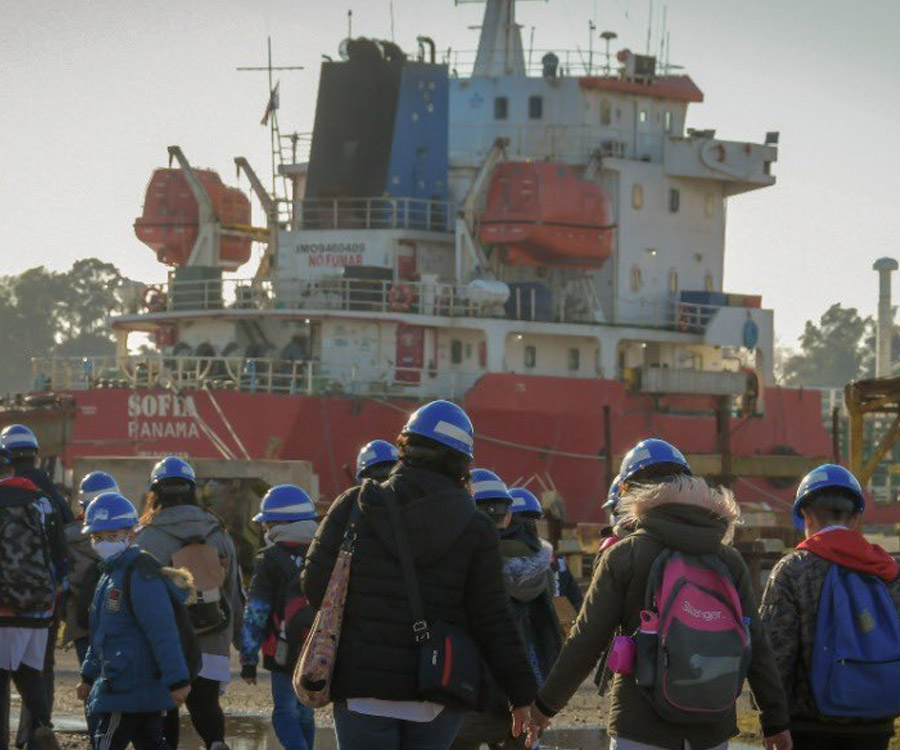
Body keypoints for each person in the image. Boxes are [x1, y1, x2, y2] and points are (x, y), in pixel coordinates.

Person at [527, 438, 793, 750]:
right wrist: (774, 720)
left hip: (640, 729)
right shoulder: (727, 559)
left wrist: (544, 707)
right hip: (712, 727)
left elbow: (587, 641)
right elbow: (756, 643)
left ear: (628, 493)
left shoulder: (625, 555)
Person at [302, 400, 537, 750]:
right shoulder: (476, 527)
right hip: (439, 686)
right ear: (463, 462)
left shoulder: (354, 506)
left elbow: (315, 585)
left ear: (404, 447)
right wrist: (522, 695)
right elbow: (493, 619)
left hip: (362, 686)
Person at [761, 464, 900, 750]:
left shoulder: (792, 570)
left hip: (809, 726)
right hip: (876, 722)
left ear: (806, 515)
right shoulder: (888, 570)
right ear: (857, 516)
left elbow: (775, 653)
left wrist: (772, 719)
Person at [136, 457, 243, 750]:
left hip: (166, 640)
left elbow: (140, 596)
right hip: (213, 635)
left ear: (154, 492)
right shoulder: (218, 532)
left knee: (165, 706)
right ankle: (217, 743)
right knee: (206, 705)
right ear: (192, 489)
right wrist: (239, 639)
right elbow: (233, 591)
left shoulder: (146, 537)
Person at [453, 471, 561, 750]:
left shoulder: (462, 561)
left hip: (470, 693)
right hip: (528, 690)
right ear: (507, 515)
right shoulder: (543, 567)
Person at [76, 491, 192, 750]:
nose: (104, 542)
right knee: (150, 742)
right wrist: (88, 674)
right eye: (97, 537)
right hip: (125, 685)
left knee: (105, 744)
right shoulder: (109, 575)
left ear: (132, 533)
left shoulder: (139, 574)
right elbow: (102, 634)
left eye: (113, 536)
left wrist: (178, 680)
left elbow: (162, 631)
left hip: (124, 689)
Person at [0, 425, 71, 748]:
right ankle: (41, 726)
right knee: (32, 672)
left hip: (4, 605)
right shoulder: (44, 501)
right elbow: (61, 555)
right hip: (42, 605)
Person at [240, 485, 319, 750]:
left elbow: (256, 611)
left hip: (283, 648)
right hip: (320, 647)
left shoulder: (270, 558)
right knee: (306, 711)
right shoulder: (324, 553)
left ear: (277, 524)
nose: (265, 532)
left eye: (266, 526)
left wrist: (248, 659)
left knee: (285, 711)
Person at [63, 472, 119, 666]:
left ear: (83, 505)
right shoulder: (126, 537)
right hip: (118, 621)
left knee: (89, 679)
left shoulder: (66, 537)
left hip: (81, 623)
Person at [509, 487, 582, 613]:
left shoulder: (497, 563)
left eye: (530, 520)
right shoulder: (556, 562)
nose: (527, 526)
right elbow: (577, 604)